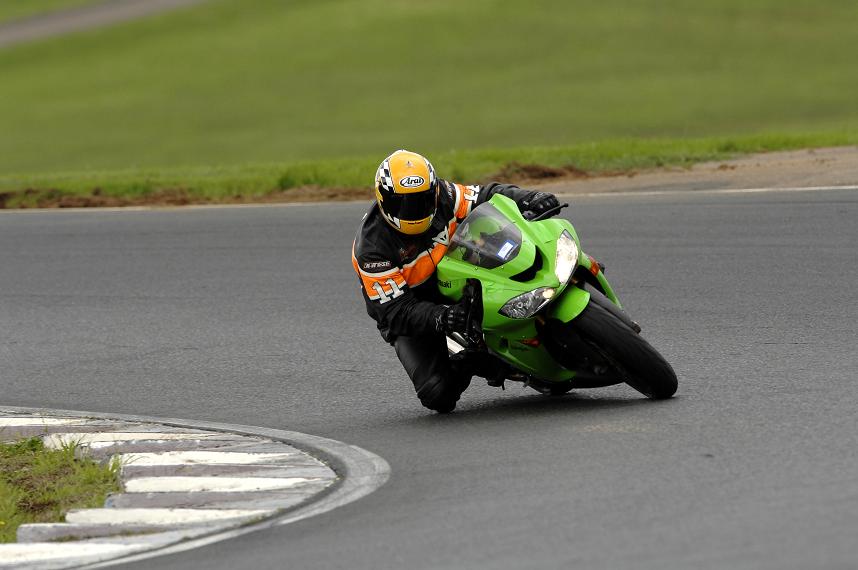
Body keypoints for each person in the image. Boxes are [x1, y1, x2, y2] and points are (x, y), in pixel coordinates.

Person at [351, 149, 561, 413]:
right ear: (383, 200)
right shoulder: (371, 250)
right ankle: (476, 361)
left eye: (422, 200)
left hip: (457, 270)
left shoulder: (445, 195)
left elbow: (485, 195)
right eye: (403, 204)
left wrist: (528, 197)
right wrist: (441, 317)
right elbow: (395, 311)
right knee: (437, 394)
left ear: (434, 192)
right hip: (414, 305)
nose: (414, 211)